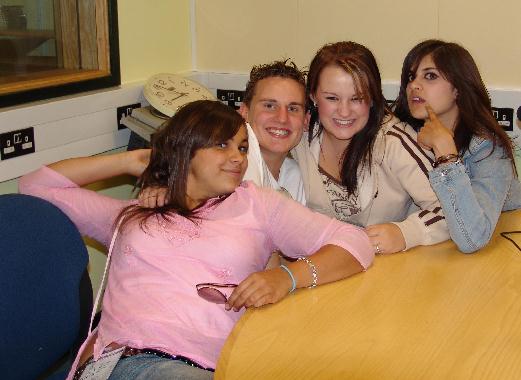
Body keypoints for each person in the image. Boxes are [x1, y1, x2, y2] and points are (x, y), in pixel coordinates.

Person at [19, 100, 373, 380]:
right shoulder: (132, 215)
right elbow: (35, 186)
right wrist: (133, 160)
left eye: (242, 146)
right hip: (126, 363)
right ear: (186, 149)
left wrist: (287, 276)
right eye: (222, 145)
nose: (238, 157)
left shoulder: (258, 205)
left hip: (209, 367)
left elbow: (355, 243)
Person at [292, 41, 449, 254]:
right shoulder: (297, 138)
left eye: (357, 99)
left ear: (373, 99)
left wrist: (406, 233)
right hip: (321, 269)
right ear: (313, 97)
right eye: (332, 98)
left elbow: (453, 211)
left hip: (388, 275)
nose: (344, 112)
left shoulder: (394, 142)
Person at [393, 39, 521, 253]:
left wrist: (446, 156)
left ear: (458, 90)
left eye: (430, 76)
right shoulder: (398, 135)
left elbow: (472, 238)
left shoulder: (487, 149)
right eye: (411, 76)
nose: (414, 85)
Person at [141, 60, 308, 207]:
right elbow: (162, 158)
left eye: (293, 108)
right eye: (269, 106)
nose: (282, 118)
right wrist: (164, 184)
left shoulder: (296, 177)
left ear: (305, 120)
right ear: (243, 112)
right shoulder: (229, 165)